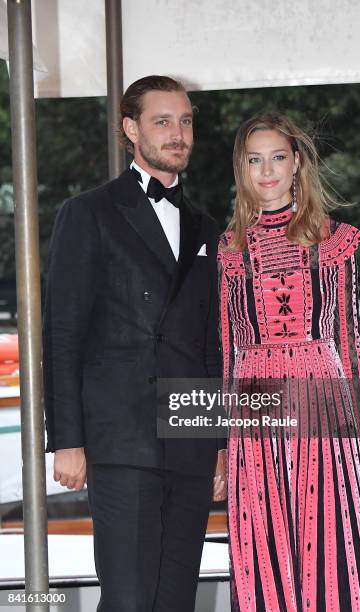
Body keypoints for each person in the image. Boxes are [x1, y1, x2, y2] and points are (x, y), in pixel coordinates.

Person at [43, 75, 227, 612]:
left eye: (186, 121)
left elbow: (212, 342)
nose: (178, 134)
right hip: (122, 440)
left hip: (189, 439)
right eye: (162, 121)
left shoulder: (207, 227)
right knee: (128, 600)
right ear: (130, 129)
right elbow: (63, 333)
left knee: (174, 601)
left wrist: (216, 442)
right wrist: (67, 440)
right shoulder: (88, 213)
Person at [217, 111, 360, 611]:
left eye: (276, 157)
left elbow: (348, 340)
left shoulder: (335, 241)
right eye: (254, 160)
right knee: (261, 536)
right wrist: (223, 445)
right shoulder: (229, 249)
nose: (266, 170)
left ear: (296, 164)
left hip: (322, 400)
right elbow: (228, 348)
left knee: (329, 536)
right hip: (255, 404)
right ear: (241, 169)